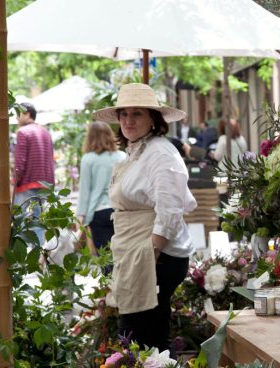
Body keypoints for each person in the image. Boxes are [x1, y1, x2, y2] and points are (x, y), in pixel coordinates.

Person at [92, 83, 197, 351]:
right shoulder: (140, 151)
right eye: (124, 114)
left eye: (137, 113)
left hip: (157, 253)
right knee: (146, 336)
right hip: (139, 249)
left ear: (153, 119)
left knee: (136, 336)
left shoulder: (160, 152)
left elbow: (170, 206)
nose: (128, 120)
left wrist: (153, 249)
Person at [76, 121, 127, 255]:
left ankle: (109, 276)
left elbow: (85, 191)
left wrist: (80, 217)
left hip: (98, 212)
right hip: (122, 210)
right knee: (123, 255)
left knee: (105, 256)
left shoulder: (88, 159)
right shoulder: (122, 156)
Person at [13, 102, 55, 246]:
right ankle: (37, 256)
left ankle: (23, 256)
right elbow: (51, 159)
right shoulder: (45, 132)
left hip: (26, 184)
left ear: (27, 114)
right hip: (45, 184)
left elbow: (20, 161)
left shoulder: (23, 132)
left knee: (20, 221)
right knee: (38, 221)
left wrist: (15, 181)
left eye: (19, 114)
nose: (17, 118)